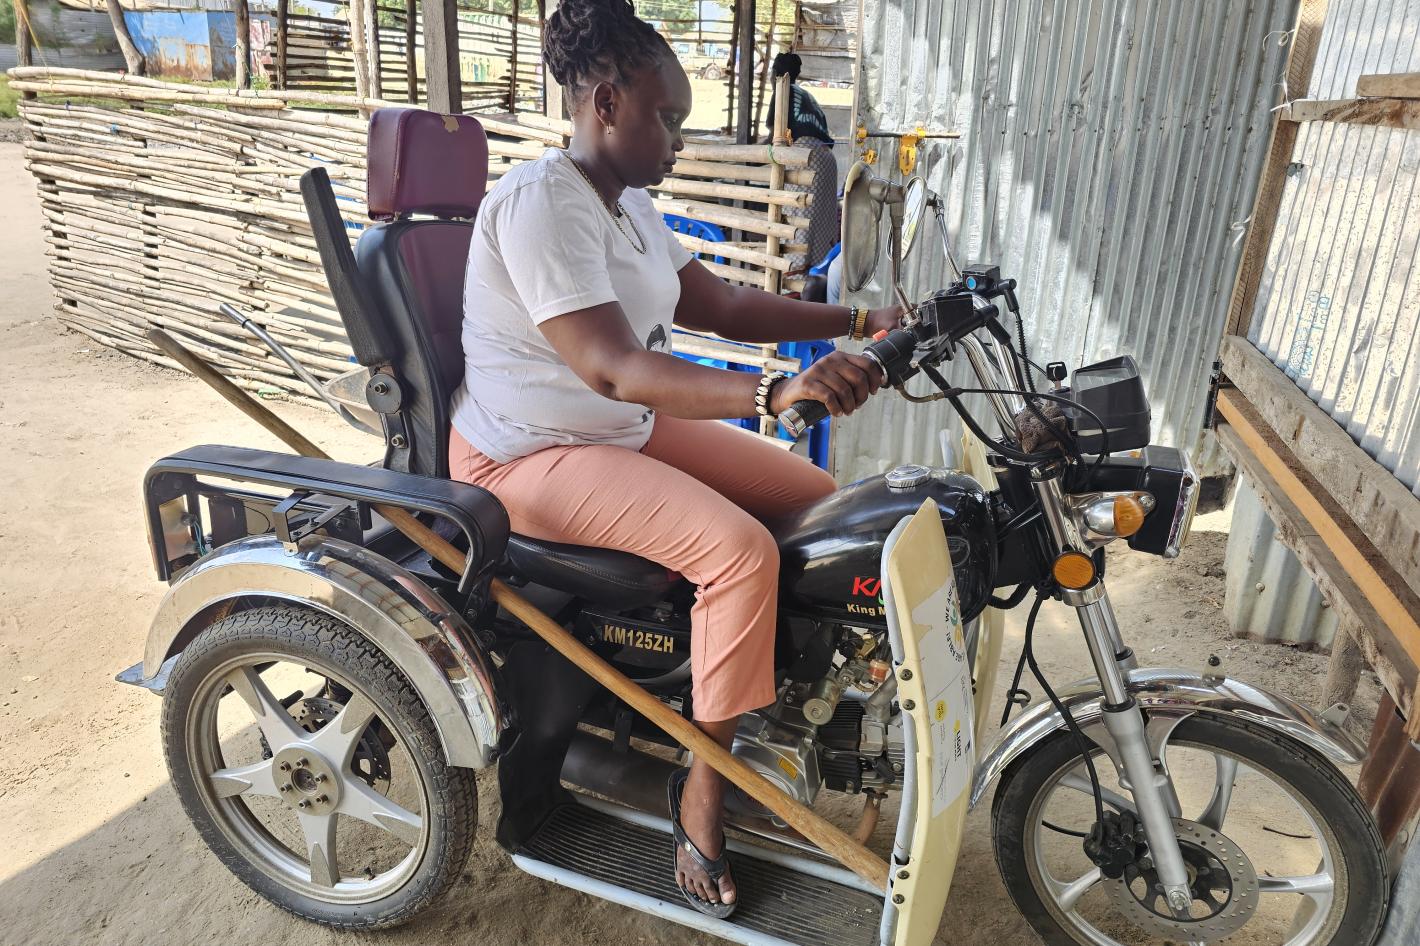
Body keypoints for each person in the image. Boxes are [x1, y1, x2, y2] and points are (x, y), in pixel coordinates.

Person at [447, 0, 900, 918]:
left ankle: (770, 702)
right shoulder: (541, 204)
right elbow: (614, 369)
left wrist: (862, 319)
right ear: (606, 103)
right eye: (669, 119)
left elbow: (723, 308)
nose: (680, 143)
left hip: (612, 431)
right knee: (739, 552)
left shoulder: (629, 207)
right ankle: (702, 790)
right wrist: (774, 393)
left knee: (819, 499)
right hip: (526, 455)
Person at [764, 52, 834, 145]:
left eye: (771, 74)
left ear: (775, 75)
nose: (770, 79)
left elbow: (774, 136)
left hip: (803, 150)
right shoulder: (806, 94)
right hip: (825, 151)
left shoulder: (782, 92)